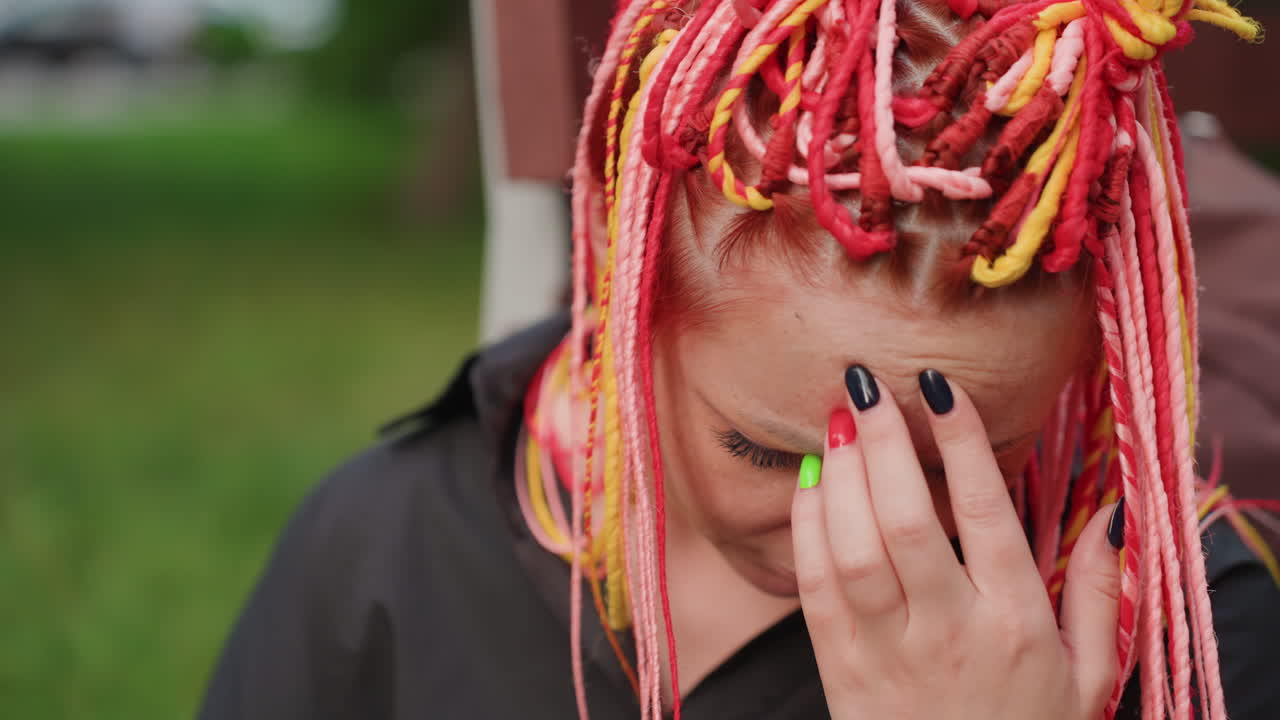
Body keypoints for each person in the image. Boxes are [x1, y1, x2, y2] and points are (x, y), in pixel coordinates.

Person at [198, 1, 1280, 719]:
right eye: (767, 452)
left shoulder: (1189, 631)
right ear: (628, 304)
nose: (862, 526)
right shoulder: (397, 543)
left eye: (973, 463)